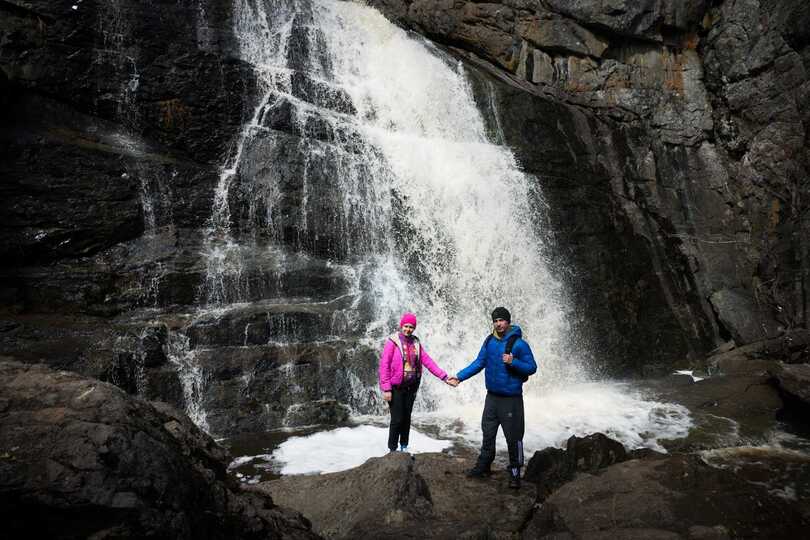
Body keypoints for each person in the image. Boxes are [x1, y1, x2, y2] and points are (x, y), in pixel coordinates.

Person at [453, 307, 536, 489]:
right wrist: (459, 377)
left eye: (501, 320)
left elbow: (532, 367)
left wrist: (513, 361)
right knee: (488, 433)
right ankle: (483, 466)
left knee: (514, 437)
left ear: (508, 321)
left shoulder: (520, 344)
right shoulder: (489, 341)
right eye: (495, 321)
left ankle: (515, 473)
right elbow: (479, 362)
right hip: (492, 398)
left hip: (511, 399)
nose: (498, 324)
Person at [379, 312, 455, 453]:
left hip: (410, 388)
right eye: (406, 326)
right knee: (397, 419)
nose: (408, 329)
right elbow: (384, 365)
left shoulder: (416, 343)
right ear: (401, 326)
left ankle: (404, 447)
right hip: (395, 388)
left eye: (411, 327)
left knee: (406, 419)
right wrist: (386, 388)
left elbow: (428, 361)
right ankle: (392, 449)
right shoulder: (392, 342)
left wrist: (444, 377)